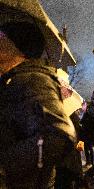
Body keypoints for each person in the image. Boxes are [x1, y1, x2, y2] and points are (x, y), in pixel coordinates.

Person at [0, 21, 77, 188]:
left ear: (17, 45)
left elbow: (57, 136)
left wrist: (5, 167)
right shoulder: (12, 80)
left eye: (1, 37)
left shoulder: (32, 80)